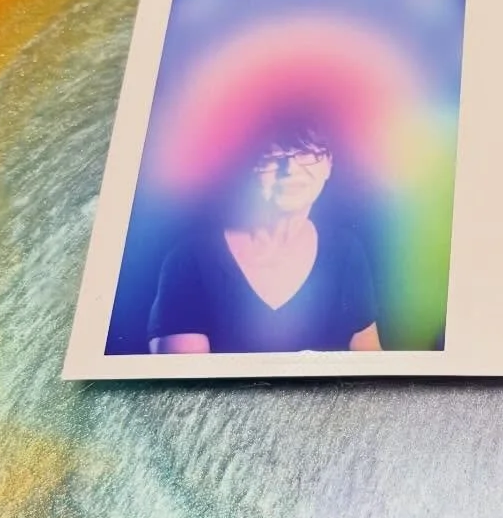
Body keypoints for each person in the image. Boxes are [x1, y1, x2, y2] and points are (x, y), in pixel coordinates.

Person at [149, 124, 381, 354]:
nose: (290, 168)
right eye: (271, 156)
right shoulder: (191, 260)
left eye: (306, 152)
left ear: (329, 164)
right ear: (248, 168)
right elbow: (188, 377)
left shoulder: (346, 251)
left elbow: (371, 362)